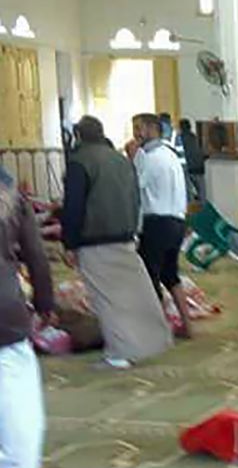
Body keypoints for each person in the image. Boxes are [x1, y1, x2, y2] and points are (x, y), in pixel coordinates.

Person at [61, 115, 172, 369]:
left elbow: (74, 206)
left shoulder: (80, 162)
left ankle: (118, 353)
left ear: (78, 136)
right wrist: (134, 230)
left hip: (94, 239)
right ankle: (149, 342)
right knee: (132, 295)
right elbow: (135, 198)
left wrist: (70, 242)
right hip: (124, 236)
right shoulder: (121, 160)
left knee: (106, 300)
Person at [0, 166, 54, 468]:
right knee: (15, 386)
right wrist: (45, 303)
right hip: (4, 305)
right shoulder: (12, 199)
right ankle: (18, 467)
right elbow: (36, 256)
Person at [134, 113, 192, 340]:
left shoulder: (148, 157)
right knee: (170, 275)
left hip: (156, 222)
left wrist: (132, 159)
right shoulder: (171, 154)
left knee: (149, 277)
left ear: (151, 129)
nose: (135, 133)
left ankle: (157, 330)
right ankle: (187, 324)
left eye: (138, 128)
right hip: (176, 220)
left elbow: (136, 185)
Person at [177, 118, 207, 203]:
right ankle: (203, 211)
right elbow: (204, 152)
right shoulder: (196, 138)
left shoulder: (180, 139)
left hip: (188, 169)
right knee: (202, 193)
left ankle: (191, 212)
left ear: (180, 127)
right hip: (200, 168)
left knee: (188, 195)